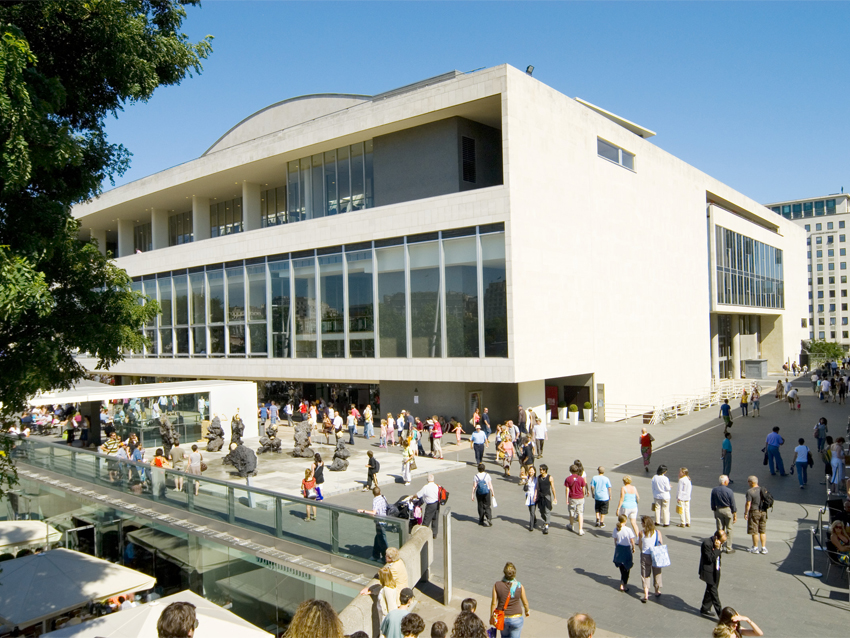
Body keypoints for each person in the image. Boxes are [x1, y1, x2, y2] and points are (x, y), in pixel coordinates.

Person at [490, 562, 530, 637]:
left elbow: (494, 603)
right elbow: (525, 603)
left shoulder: (497, 585)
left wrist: (492, 616)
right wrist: (527, 611)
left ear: (504, 573)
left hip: (503, 618)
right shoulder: (519, 586)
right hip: (516, 618)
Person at [698, 530, 727, 618]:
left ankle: (705, 608)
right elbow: (710, 559)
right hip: (708, 571)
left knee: (710, 590)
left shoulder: (718, 543)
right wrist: (717, 549)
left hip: (716, 570)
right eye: (722, 541)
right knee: (714, 593)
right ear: (716, 538)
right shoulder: (707, 544)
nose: (723, 543)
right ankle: (721, 615)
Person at [637, 516, 663, 602]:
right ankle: (657, 590)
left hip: (645, 555)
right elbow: (661, 543)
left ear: (645, 524)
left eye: (642, 522)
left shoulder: (641, 533)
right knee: (657, 572)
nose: (641, 524)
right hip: (655, 555)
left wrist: (642, 551)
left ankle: (646, 594)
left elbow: (640, 545)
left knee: (645, 574)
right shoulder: (657, 532)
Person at [710, 475, 736, 553]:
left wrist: (714, 509)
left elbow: (712, 501)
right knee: (729, 529)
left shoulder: (714, 490)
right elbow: (732, 503)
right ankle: (728, 547)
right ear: (725, 482)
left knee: (720, 529)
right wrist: (734, 513)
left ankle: (719, 546)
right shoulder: (729, 491)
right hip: (727, 510)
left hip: (718, 509)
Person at [743, 475, 768, 554]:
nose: (748, 483)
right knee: (762, 531)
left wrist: (746, 513)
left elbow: (748, 503)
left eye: (748, 482)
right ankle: (764, 548)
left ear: (751, 482)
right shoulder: (763, 490)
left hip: (754, 511)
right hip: (763, 512)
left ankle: (755, 547)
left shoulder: (750, 491)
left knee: (754, 531)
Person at [612, 514, 636, 593]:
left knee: (621, 567)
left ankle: (622, 581)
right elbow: (632, 540)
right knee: (627, 567)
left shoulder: (616, 529)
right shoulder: (628, 529)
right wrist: (633, 547)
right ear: (625, 520)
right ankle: (623, 584)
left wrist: (616, 547)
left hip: (619, 548)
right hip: (626, 549)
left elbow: (615, 540)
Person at [415, 474, 441, 539]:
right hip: (437, 504)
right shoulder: (437, 486)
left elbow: (418, 495)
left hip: (430, 505)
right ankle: (434, 534)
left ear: (427, 480)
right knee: (435, 518)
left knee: (426, 520)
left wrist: (413, 496)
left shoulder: (426, 487)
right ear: (434, 480)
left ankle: (422, 534)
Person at [565, 464, 587, 535]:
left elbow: (567, 489)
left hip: (572, 497)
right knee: (580, 513)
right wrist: (583, 495)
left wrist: (567, 499)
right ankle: (580, 529)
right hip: (580, 497)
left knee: (571, 511)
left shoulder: (568, 479)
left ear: (570, 471)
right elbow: (583, 487)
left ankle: (571, 525)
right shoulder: (581, 478)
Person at [524, 466, 538, 532]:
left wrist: (536, 495)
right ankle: (534, 519)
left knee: (532, 511)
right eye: (530, 470)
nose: (531, 472)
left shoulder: (536, 479)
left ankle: (531, 525)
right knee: (530, 510)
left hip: (534, 496)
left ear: (534, 471)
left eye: (532, 470)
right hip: (528, 495)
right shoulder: (527, 478)